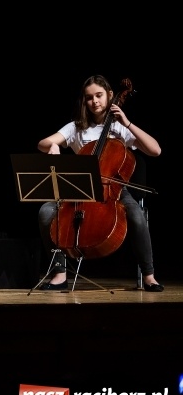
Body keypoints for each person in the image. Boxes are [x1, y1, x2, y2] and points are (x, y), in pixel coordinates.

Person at [37, 74, 163, 291]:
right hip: (80, 189)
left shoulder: (120, 128)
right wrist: (53, 148)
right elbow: (43, 143)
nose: (94, 101)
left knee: (136, 214)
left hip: (113, 191)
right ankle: (59, 273)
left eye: (99, 95)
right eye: (89, 98)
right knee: (46, 212)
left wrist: (128, 123)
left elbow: (155, 150)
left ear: (110, 96)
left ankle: (149, 275)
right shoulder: (76, 127)